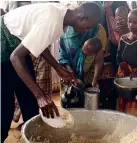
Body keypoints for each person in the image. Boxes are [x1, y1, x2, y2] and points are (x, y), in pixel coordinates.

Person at [1, 2, 101, 142]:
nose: (86, 30)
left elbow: (38, 43)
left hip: (17, 50)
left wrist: (58, 68)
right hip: (4, 49)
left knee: (30, 102)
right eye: (88, 26)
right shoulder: (52, 20)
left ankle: (33, 138)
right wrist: (40, 95)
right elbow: (15, 58)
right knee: (4, 109)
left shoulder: (62, 17)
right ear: (82, 17)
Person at [59, 22, 106, 107]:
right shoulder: (65, 30)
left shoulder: (98, 30)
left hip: (87, 78)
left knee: (85, 105)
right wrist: (69, 72)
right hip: (67, 74)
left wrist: (95, 79)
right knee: (67, 103)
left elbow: (99, 58)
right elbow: (62, 54)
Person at [116, 9, 137, 117]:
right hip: (124, 74)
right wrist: (122, 66)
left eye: (134, 22)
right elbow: (119, 57)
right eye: (129, 21)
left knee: (134, 101)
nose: (130, 25)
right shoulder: (123, 38)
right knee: (123, 98)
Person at [103, 1, 129, 72]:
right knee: (118, 66)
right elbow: (114, 28)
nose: (119, 20)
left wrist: (126, 27)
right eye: (117, 18)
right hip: (115, 43)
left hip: (125, 44)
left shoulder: (123, 9)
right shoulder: (109, 10)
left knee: (125, 67)